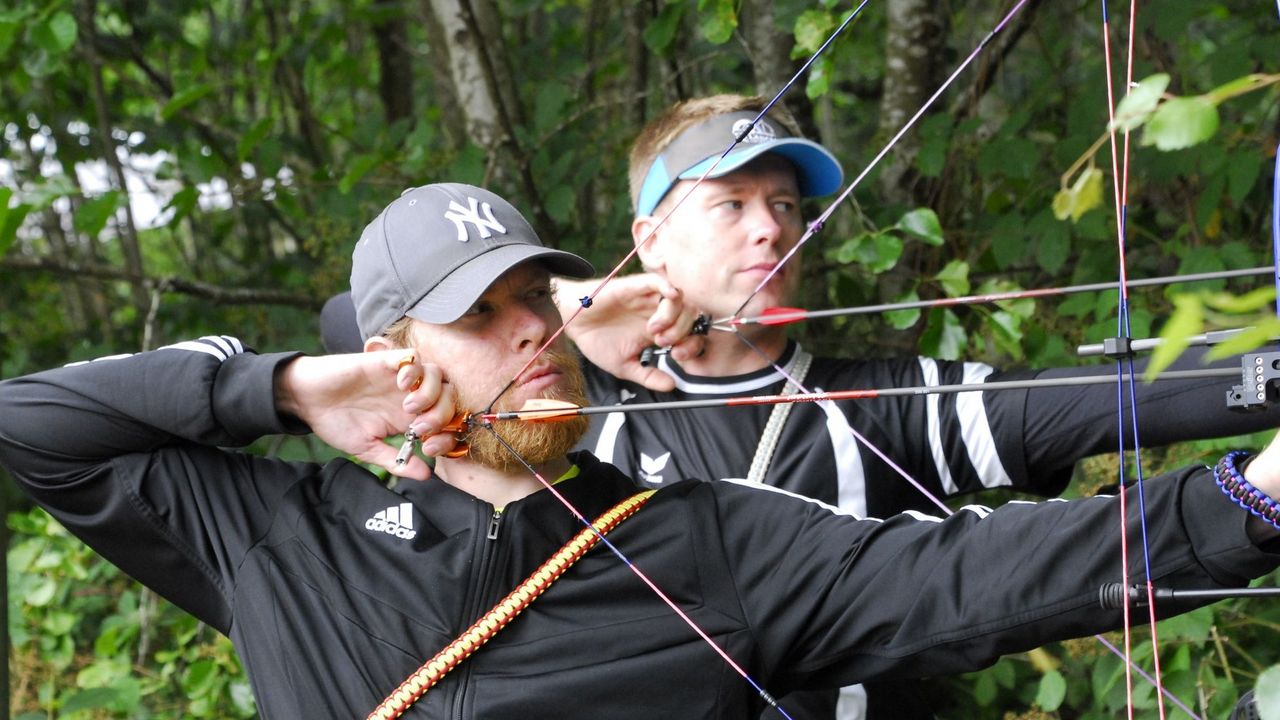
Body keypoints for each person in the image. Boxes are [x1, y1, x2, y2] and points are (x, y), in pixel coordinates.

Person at [3, 182, 1280, 720]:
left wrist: (1255, 495)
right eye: (483, 316)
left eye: (541, 303)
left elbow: (980, 576)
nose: (534, 338)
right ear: (394, 354)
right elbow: (32, 426)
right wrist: (283, 391)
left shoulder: (699, 540)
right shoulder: (279, 537)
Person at [319, 97, 1280, 718]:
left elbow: (1086, 405)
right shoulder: (559, 407)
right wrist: (579, 309)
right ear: (649, 239)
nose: (771, 226)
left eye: (783, 203)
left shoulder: (874, 398)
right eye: (730, 204)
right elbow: (360, 337)